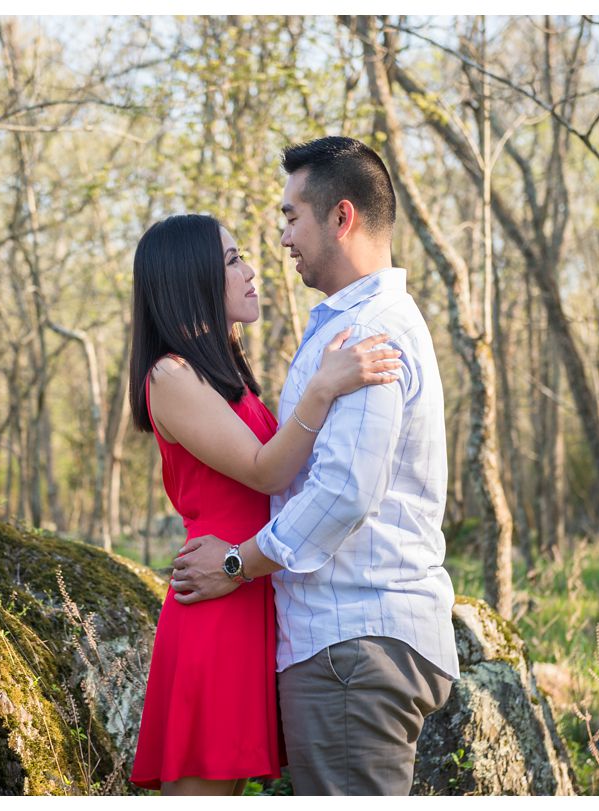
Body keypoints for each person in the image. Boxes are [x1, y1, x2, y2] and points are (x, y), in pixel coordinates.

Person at [164, 136, 459, 795]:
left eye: (292, 217)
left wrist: (236, 562)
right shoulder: (343, 327)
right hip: (334, 641)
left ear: (341, 217)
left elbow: (344, 493)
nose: (284, 239)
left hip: (353, 640)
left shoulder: (368, 331)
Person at [122, 213, 403, 794]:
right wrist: (325, 387)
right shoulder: (170, 375)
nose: (251, 271)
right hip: (217, 604)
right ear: (189, 279)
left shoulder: (224, 376)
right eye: (231, 261)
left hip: (247, 589)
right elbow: (265, 468)